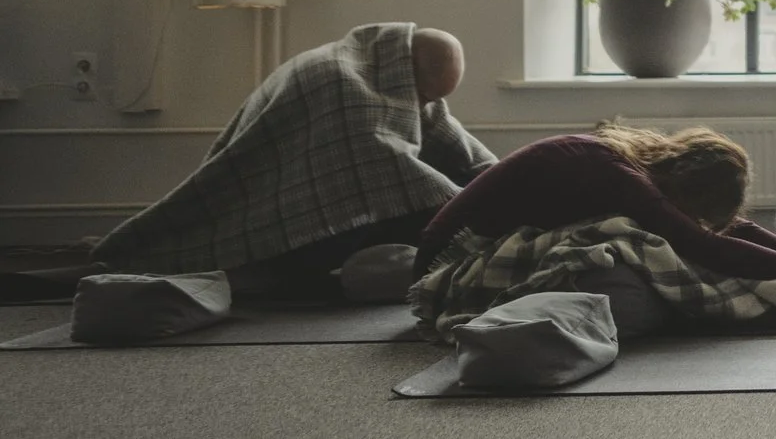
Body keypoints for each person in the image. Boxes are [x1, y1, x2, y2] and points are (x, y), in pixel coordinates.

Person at [92, 23, 497, 292]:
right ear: (409, 68)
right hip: (278, 205)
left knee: (455, 203)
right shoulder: (342, 80)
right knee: (440, 218)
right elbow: (388, 171)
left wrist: (504, 182)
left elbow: (454, 143)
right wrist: (475, 214)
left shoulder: (390, 71)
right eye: (425, 95)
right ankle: (279, 276)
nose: (426, 104)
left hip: (332, 192)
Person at [414, 125, 776, 283]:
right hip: (446, 258)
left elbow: (722, 230)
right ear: (690, 188)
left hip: (443, 242)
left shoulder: (631, 162)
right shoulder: (619, 177)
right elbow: (701, 243)